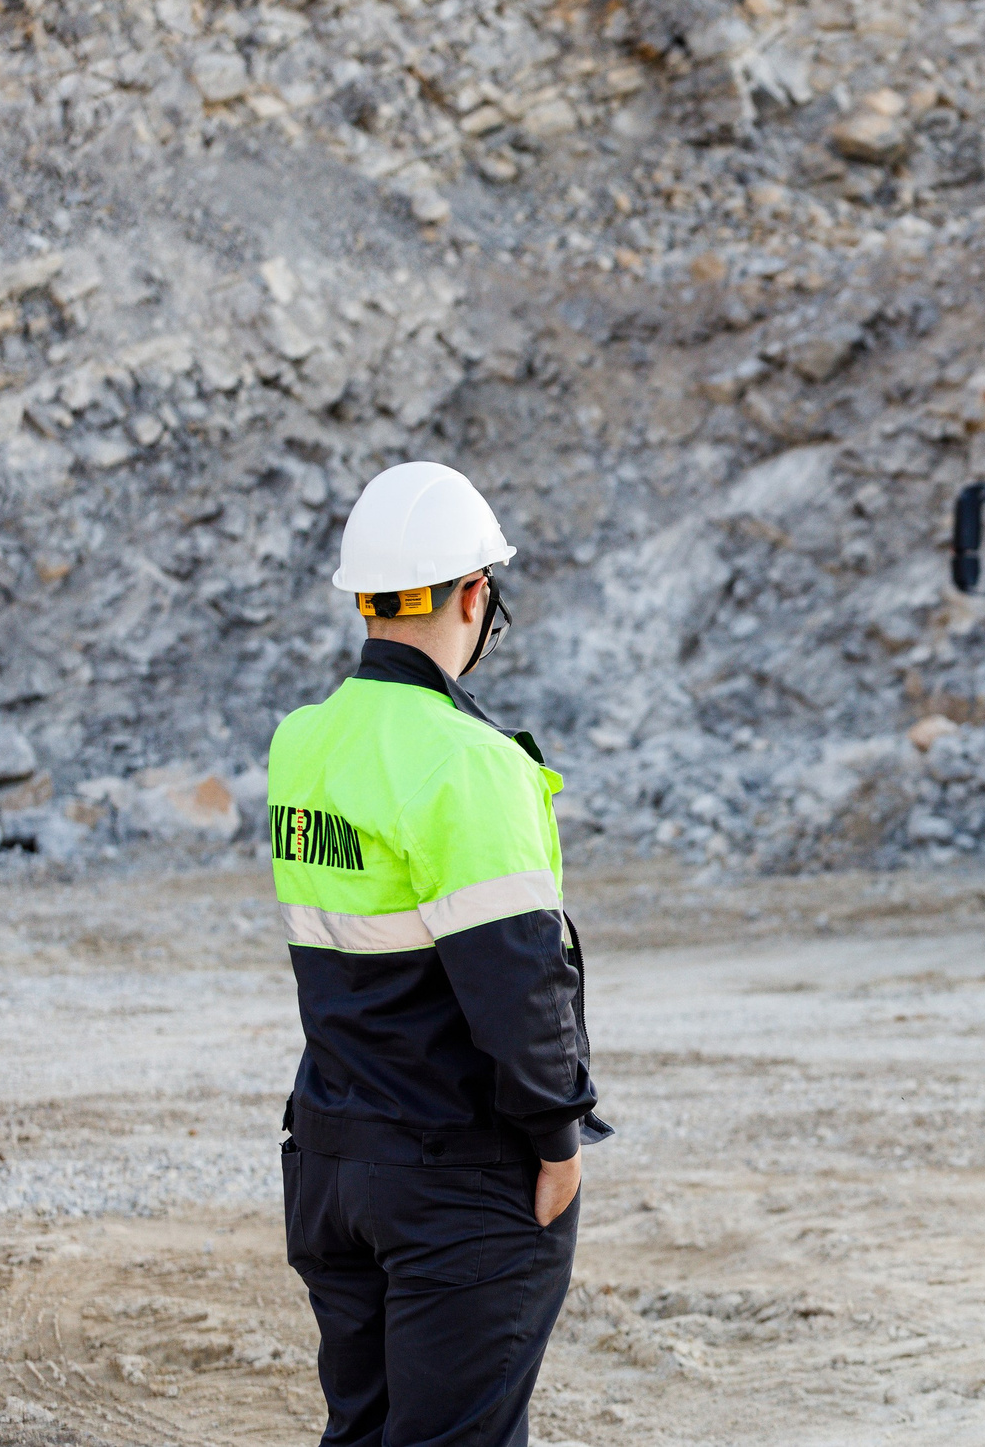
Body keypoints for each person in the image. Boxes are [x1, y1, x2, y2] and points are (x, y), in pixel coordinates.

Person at [268, 461, 608, 1447]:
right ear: (474, 595)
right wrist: (558, 1142)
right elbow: (519, 984)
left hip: (334, 1161)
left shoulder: (303, 744)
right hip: (454, 1178)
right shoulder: (470, 763)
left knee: (363, 1431)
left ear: (367, 599)